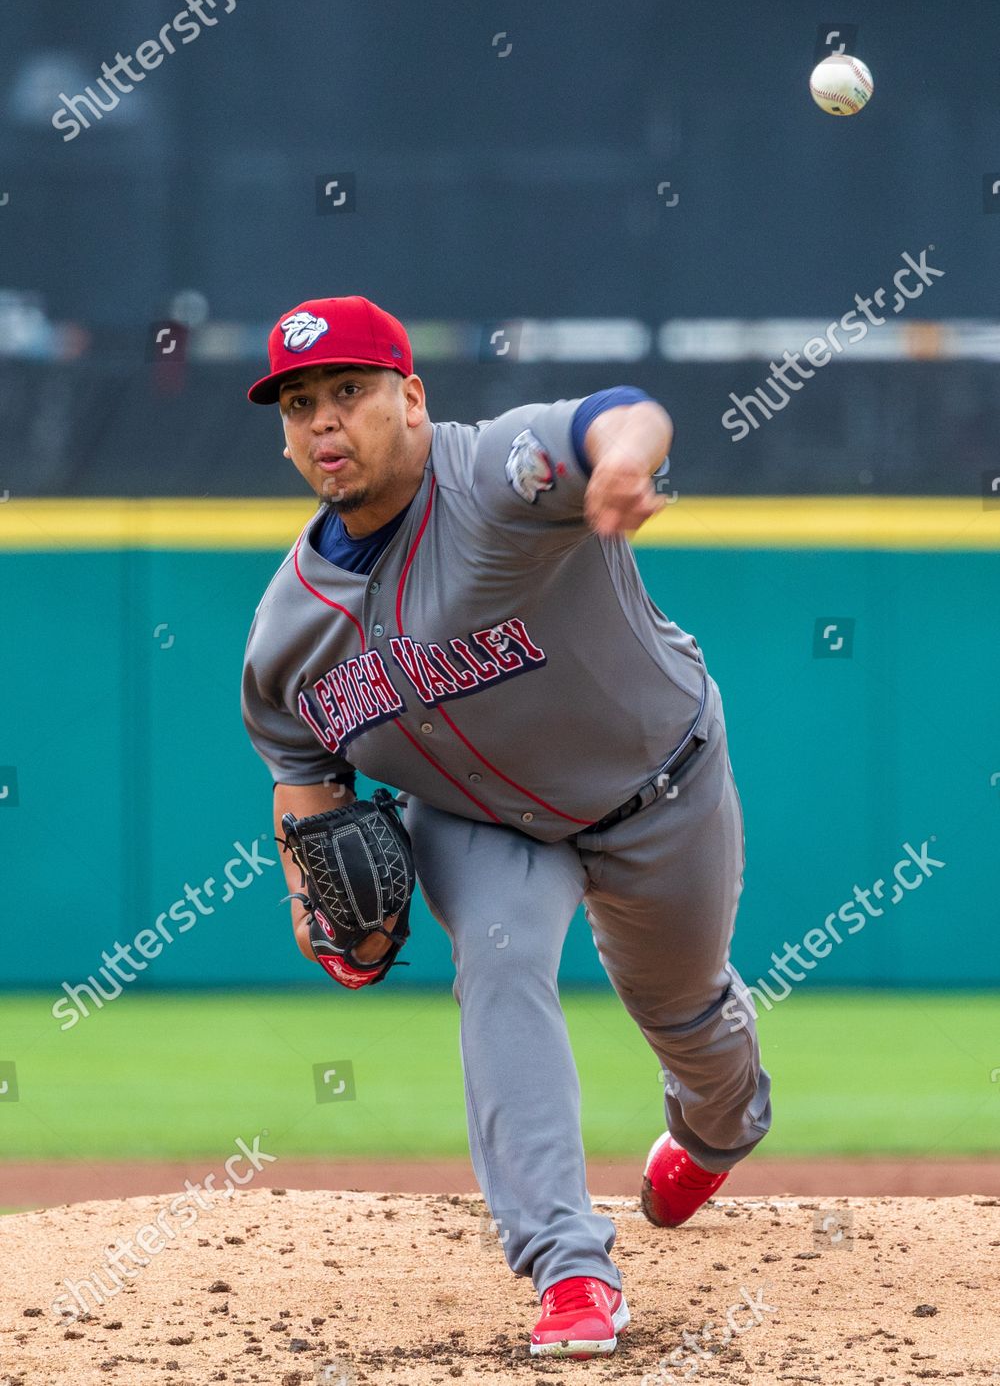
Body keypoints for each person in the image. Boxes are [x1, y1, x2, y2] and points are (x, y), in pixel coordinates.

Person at [241, 294, 771, 1360]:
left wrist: (621, 466)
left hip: (658, 789)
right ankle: (569, 1267)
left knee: (685, 1017)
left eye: (348, 390)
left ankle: (716, 1129)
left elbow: (617, 415)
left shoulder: (492, 474)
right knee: (496, 960)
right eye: (300, 404)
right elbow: (301, 772)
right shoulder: (284, 636)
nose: (325, 421)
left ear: (412, 397)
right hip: (484, 825)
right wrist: (317, 903)